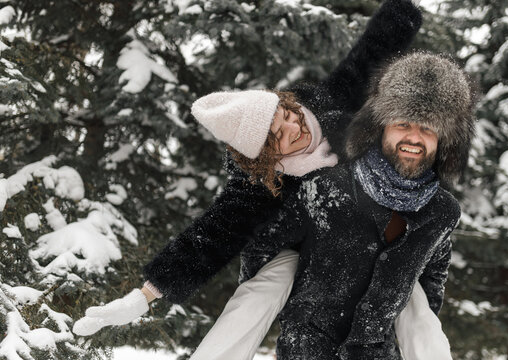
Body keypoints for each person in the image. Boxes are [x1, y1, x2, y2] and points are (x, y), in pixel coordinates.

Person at [72, 1, 451, 359]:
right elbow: (209, 238)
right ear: (264, 157)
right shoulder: (262, 185)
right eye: (275, 138)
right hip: (303, 250)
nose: (292, 129)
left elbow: (371, 53)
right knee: (258, 291)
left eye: (285, 116)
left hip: (370, 234)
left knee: (411, 299)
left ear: (285, 103)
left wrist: (403, 9)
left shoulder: (329, 105)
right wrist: (144, 296)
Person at [241, 52, 476, 359]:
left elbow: (432, 276)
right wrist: (296, 315)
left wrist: (401, 326)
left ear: (443, 140)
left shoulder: (441, 212)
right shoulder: (326, 186)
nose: (414, 138)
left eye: (428, 129)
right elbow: (261, 249)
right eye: (403, 123)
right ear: (380, 127)